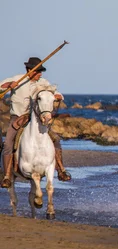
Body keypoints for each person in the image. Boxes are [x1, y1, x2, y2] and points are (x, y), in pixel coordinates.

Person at [0, 57, 71, 188]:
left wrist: (58, 96)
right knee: (8, 144)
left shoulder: (43, 83)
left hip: (37, 119)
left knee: (55, 139)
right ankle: (6, 176)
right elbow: (0, 88)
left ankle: (61, 170)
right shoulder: (16, 79)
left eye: (41, 71)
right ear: (30, 70)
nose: (40, 74)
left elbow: (57, 93)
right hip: (18, 118)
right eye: (38, 71)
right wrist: (9, 86)